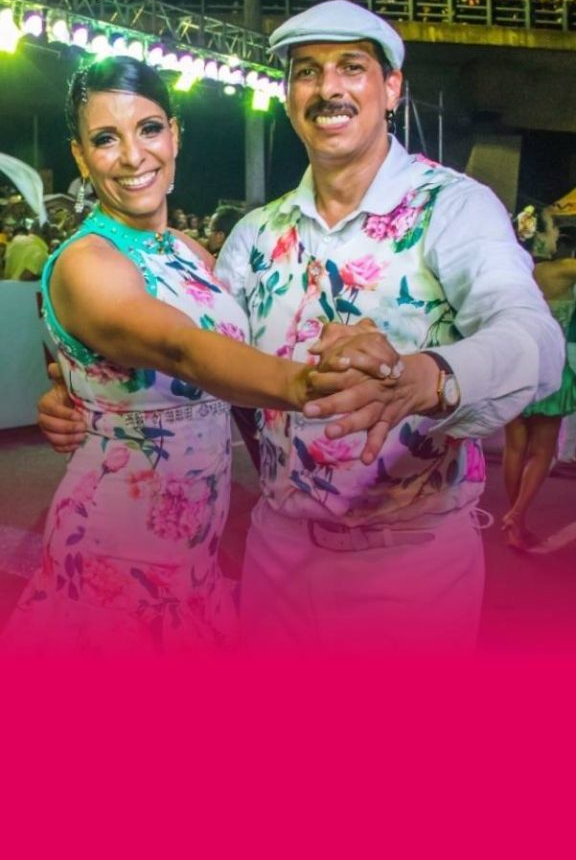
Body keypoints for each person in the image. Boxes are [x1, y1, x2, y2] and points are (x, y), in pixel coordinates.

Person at [38, 2, 564, 652]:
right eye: (307, 71)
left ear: (392, 87)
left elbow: (535, 341)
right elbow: (199, 354)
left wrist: (428, 379)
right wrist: (84, 391)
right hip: (274, 556)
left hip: (410, 562)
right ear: (288, 97)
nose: (328, 88)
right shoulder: (254, 237)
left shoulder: (452, 209)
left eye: (351, 67)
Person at [10, 55, 386, 653]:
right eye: (105, 139)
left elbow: (231, 357)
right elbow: (182, 348)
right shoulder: (87, 262)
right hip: (114, 551)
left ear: (175, 134)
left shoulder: (189, 252)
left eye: (148, 129)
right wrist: (305, 385)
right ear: (80, 157)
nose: (133, 156)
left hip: (195, 555)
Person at [501, 206, 576, 549]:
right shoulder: (562, 271)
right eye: (554, 230)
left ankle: (515, 520)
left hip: (514, 364)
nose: (559, 235)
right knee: (542, 450)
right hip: (549, 367)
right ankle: (517, 515)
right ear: (542, 237)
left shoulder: (511, 271)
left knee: (515, 447)